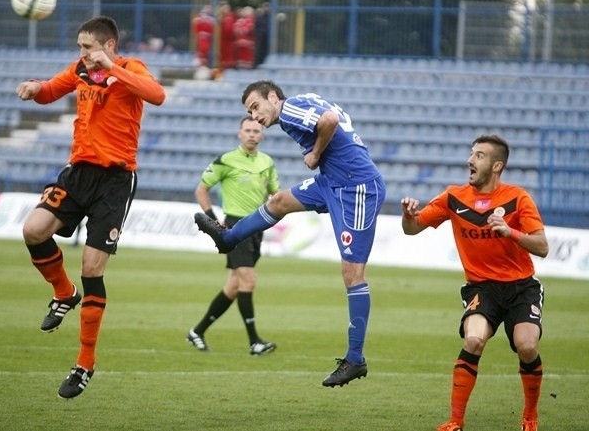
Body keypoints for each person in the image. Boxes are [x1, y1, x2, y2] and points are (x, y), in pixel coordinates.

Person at [194, 80, 386, 387]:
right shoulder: (300, 103)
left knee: (352, 274)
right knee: (280, 200)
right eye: (249, 112)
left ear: (273, 97)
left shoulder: (289, 109)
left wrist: (315, 153)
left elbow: (330, 120)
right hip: (332, 181)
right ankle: (227, 237)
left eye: (256, 107)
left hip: (356, 187)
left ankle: (355, 359)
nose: (255, 117)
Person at [16, 15, 166, 399]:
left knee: (92, 266)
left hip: (115, 181)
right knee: (33, 230)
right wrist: (35, 88)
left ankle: (84, 364)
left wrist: (113, 68)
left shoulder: (130, 68)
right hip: (79, 172)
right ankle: (64, 294)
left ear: (109, 45)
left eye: (87, 47)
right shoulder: (80, 69)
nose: (81, 54)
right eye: (80, 47)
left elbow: (157, 94)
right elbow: (52, 91)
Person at [400, 134, 548, 431]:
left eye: (478, 155)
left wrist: (510, 233)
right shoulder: (454, 197)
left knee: (527, 346)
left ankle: (530, 417)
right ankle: (456, 421)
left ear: (496, 166)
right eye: (471, 154)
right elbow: (412, 229)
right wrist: (407, 216)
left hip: (521, 287)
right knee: (474, 339)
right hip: (482, 287)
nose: (470, 160)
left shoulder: (518, 198)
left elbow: (542, 246)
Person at [187, 115, 280, 355]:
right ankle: (254, 342)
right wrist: (211, 218)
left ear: (263, 135)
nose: (252, 134)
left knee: (233, 286)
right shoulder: (226, 161)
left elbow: (276, 195)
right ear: (239, 134)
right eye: (247, 130)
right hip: (236, 227)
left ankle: (197, 331)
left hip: (257, 227)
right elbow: (201, 189)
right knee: (248, 281)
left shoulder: (267, 163)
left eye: (256, 131)